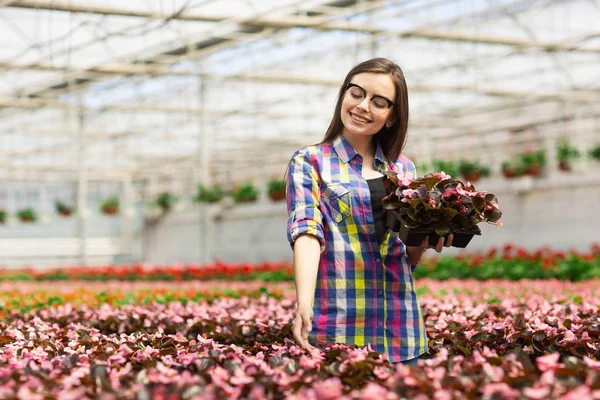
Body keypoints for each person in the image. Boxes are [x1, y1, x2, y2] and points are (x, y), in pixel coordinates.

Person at [285, 57, 453, 366]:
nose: (363, 106)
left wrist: (428, 239)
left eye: (378, 102)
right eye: (356, 93)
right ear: (344, 95)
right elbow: (307, 233)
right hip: (337, 328)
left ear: (391, 117)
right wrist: (304, 304)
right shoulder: (309, 162)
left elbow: (407, 255)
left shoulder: (403, 168)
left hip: (401, 331)